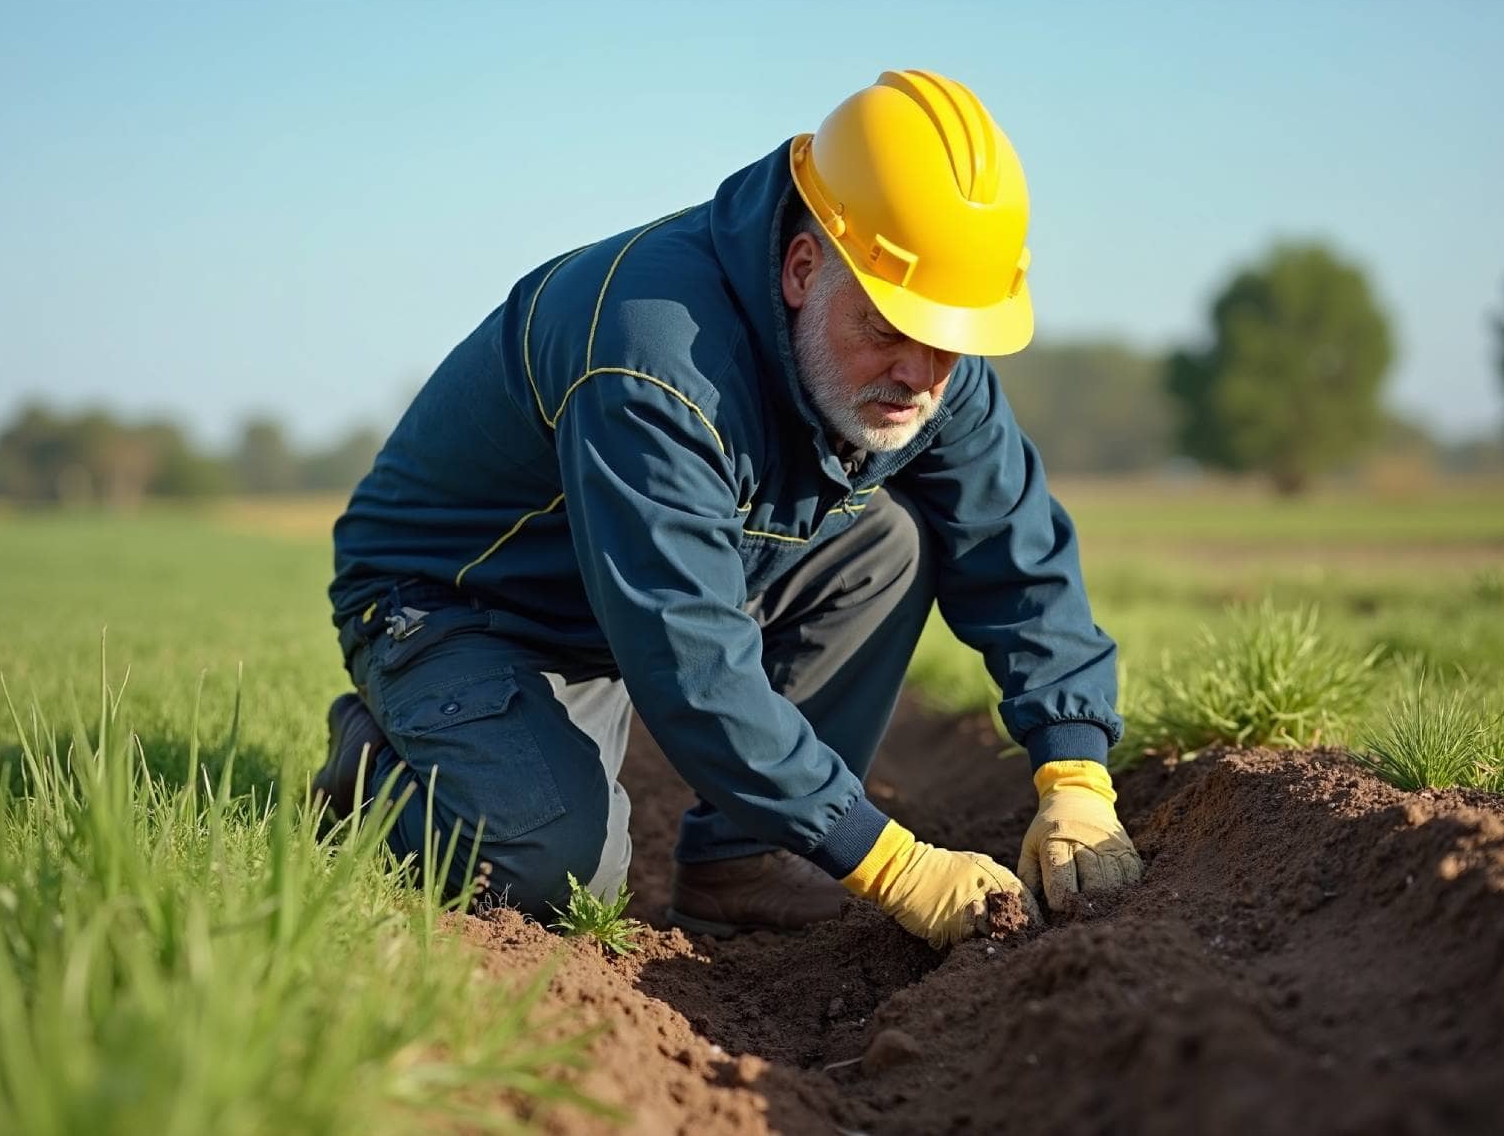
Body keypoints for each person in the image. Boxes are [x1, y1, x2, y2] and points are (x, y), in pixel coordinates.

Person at [315, 70, 1143, 948]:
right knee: (551, 869)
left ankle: (738, 863)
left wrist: (1077, 772)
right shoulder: (652, 361)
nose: (918, 372)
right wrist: (891, 861)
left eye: (947, 340)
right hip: (460, 603)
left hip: (615, 590)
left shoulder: (931, 352)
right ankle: (373, 770)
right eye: (886, 327)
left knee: (886, 544)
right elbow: (692, 661)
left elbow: (1013, 545)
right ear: (801, 267)